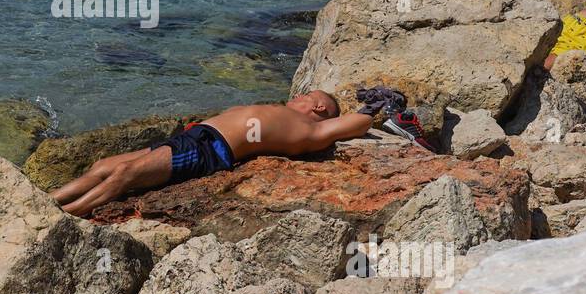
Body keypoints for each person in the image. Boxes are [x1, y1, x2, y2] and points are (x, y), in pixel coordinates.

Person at [52, 87, 429, 217]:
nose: (298, 95)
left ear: (319, 108)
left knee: (126, 176)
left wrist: (376, 106)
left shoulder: (314, 128)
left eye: (308, 96)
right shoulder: (288, 114)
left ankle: (66, 214)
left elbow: (355, 123)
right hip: (193, 136)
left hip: (211, 150)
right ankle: (46, 201)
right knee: (103, 164)